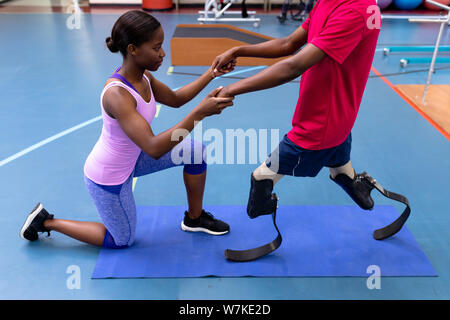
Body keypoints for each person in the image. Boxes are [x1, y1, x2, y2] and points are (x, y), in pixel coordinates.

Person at [20, 10, 235, 249]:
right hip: (109, 177)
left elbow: (175, 98)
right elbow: (153, 148)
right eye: (156, 48)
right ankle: (48, 222)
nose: (162, 53)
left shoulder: (145, 78)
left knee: (195, 152)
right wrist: (200, 113)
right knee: (122, 239)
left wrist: (211, 73)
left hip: (134, 159)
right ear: (133, 49)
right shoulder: (117, 95)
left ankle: (195, 219)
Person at [211, 0, 381, 217]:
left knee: (262, 176)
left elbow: (294, 65)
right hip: (336, 114)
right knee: (339, 164)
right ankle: (353, 184)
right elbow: (289, 44)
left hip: (321, 121)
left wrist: (231, 89)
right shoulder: (327, 2)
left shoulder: (355, 11)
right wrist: (239, 50)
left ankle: (261, 210)